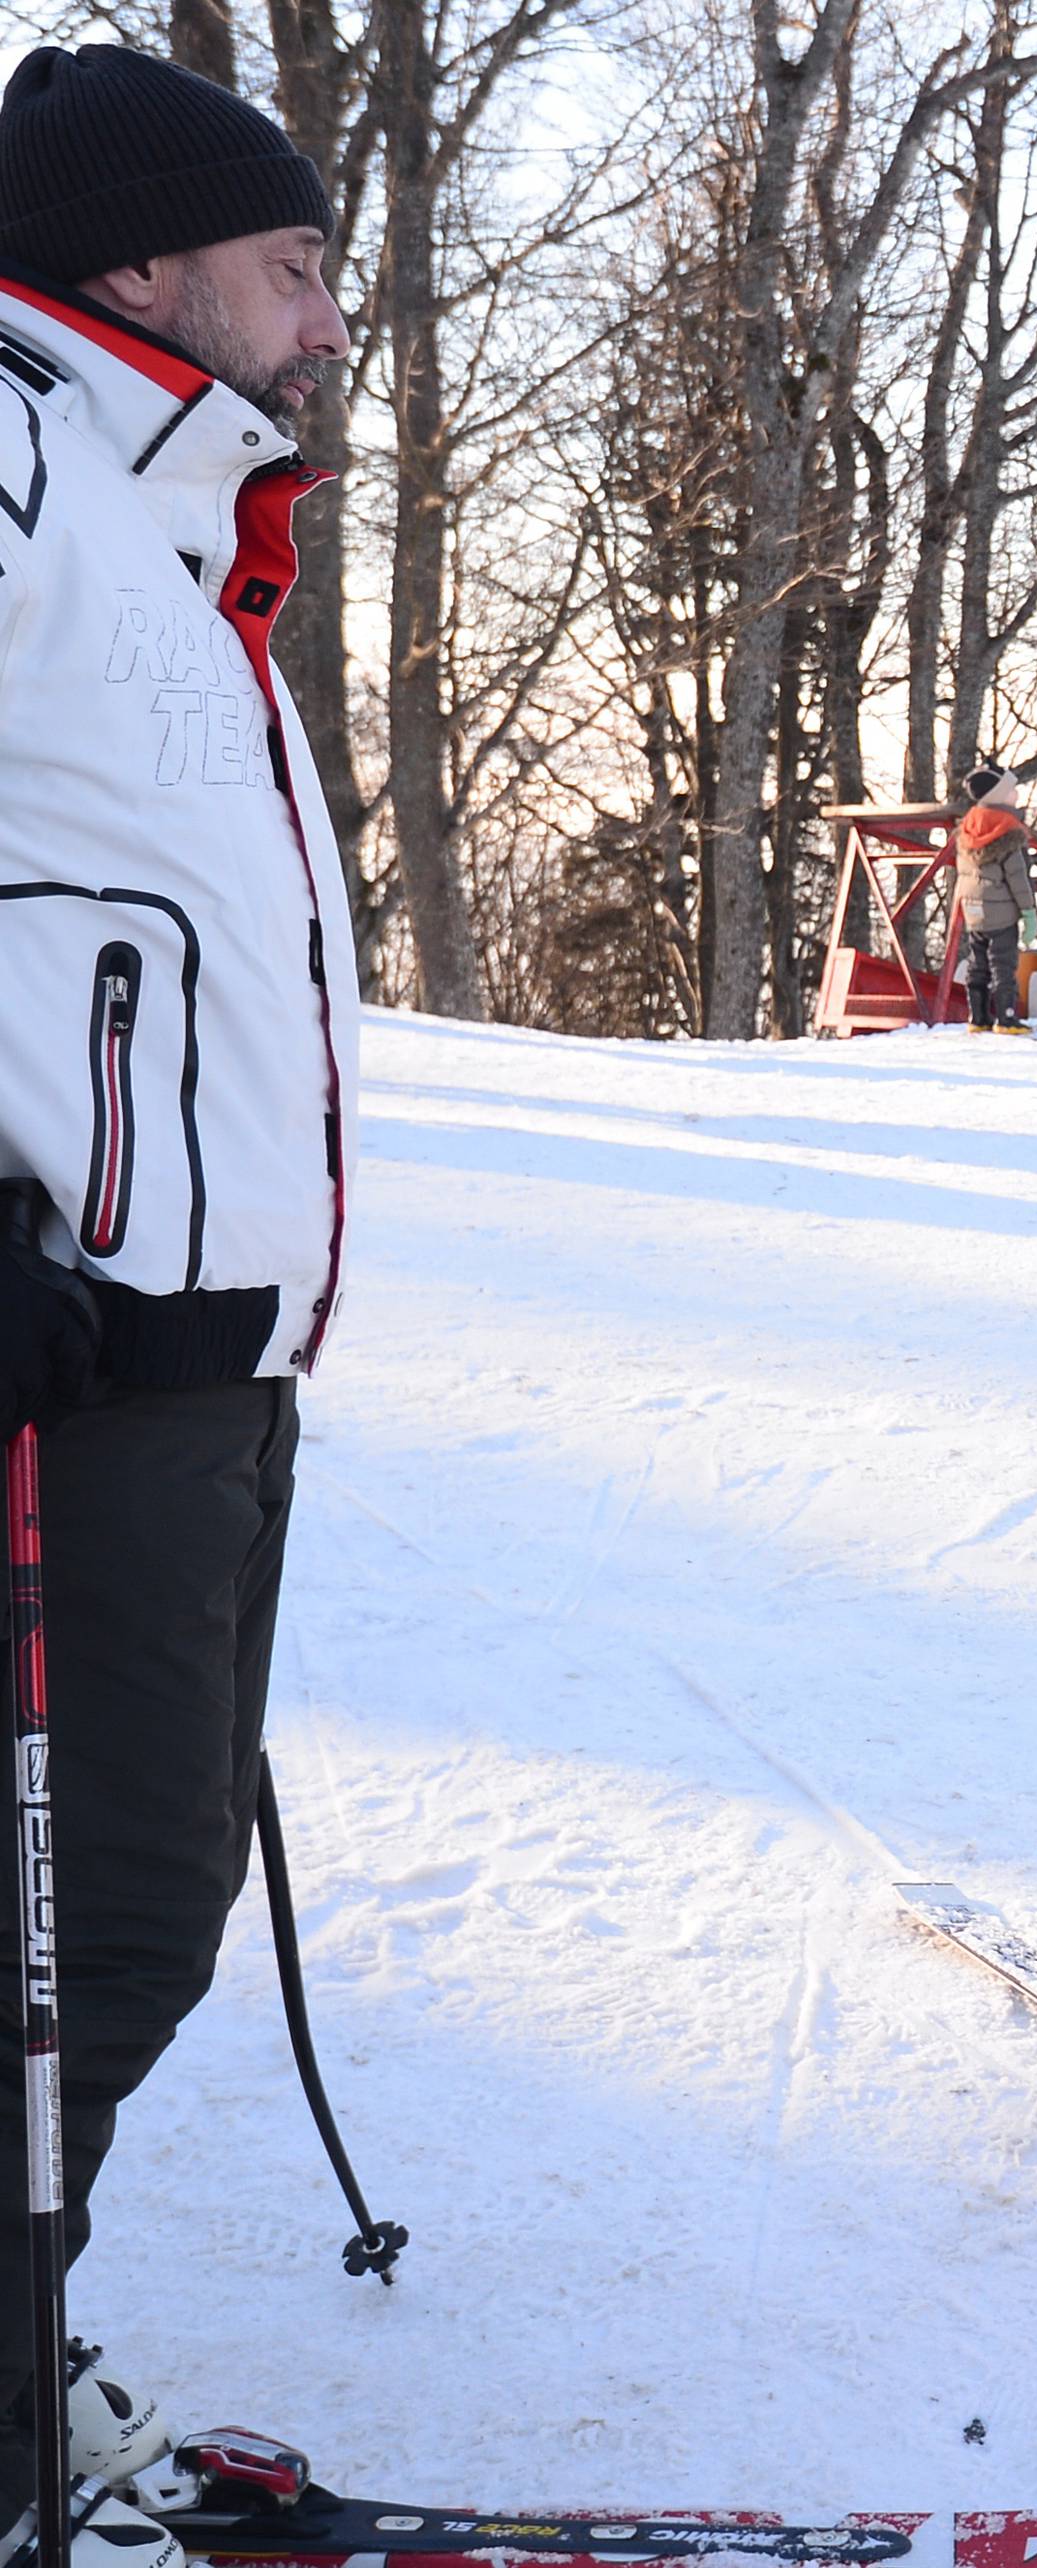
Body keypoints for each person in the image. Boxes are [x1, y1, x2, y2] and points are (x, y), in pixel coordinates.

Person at [0, 44, 358, 2563]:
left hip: (195, 1373)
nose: (334, 317)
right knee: (87, 1939)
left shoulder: (168, 525)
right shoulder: (24, 462)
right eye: (296, 262)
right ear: (141, 266)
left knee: (114, 1925)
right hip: (76, 1376)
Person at [954, 763, 1036, 1033]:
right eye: (1011, 790)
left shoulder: (968, 826)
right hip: (1001, 914)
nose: (1016, 795)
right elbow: (1017, 878)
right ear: (998, 796)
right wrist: (1028, 911)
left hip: (973, 909)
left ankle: (977, 1018)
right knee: (1003, 965)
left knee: (977, 963)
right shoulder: (1007, 830)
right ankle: (1006, 1017)